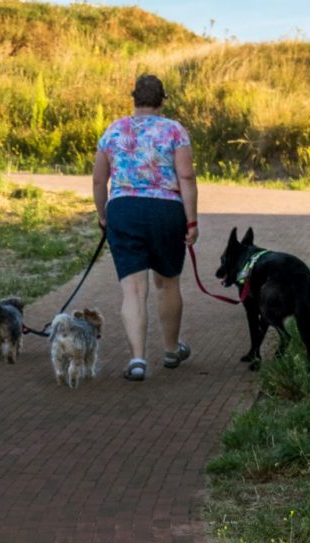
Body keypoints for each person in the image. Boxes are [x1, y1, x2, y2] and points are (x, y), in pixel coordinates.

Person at [92, 73, 199, 382]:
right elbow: (187, 178)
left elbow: (100, 179)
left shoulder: (114, 130)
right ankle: (170, 349)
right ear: (162, 101)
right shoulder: (175, 130)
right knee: (167, 283)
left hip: (124, 209)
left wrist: (103, 215)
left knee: (134, 290)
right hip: (167, 210)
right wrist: (191, 221)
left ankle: (137, 359)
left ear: (134, 99)